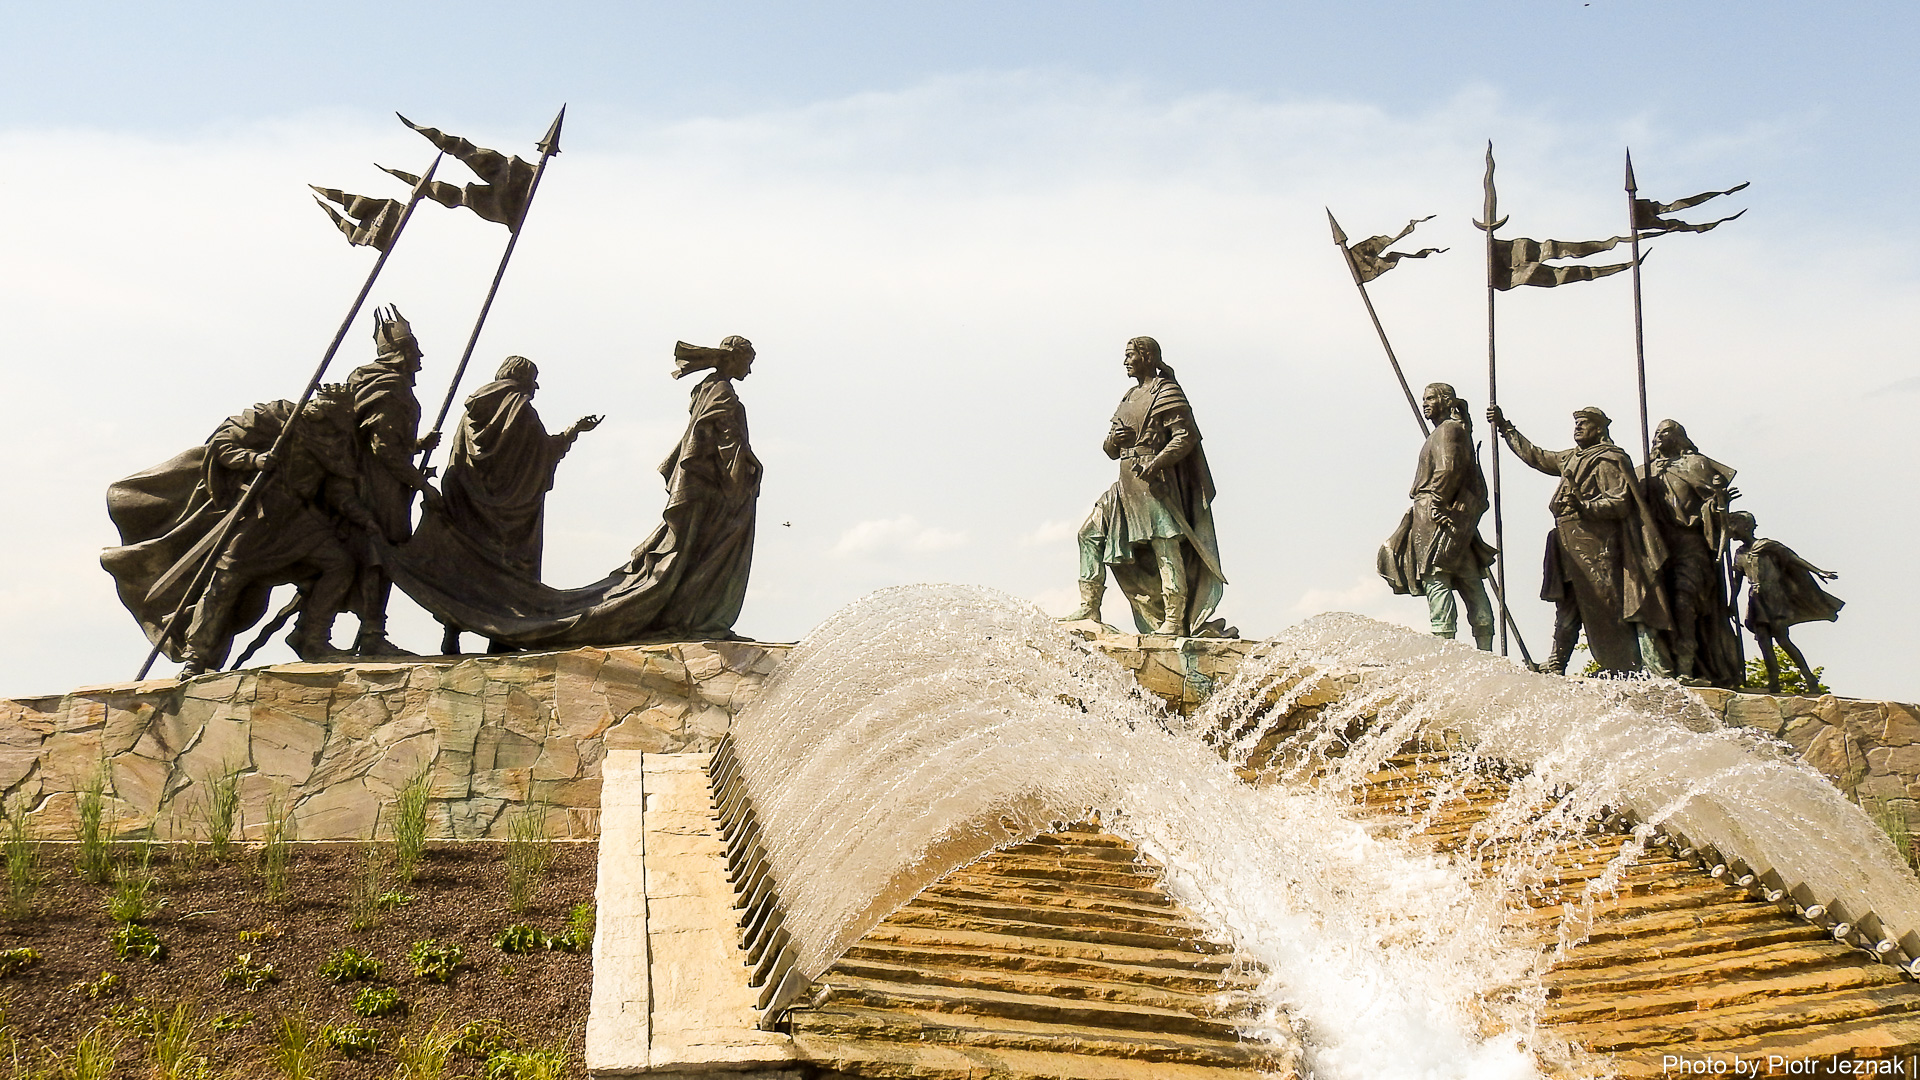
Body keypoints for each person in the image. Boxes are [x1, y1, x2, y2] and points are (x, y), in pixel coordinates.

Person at [102, 386, 379, 676]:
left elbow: (338, 489)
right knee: (225, 582)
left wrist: (363, 518)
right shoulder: (278, 416)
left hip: (299, 519)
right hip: (260, 515)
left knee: (339, 564)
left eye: (333, 411)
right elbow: (221, 444)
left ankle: (312, 637)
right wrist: (253, 459)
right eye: (322, 404)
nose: (320, 411)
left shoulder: (337, 441)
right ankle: (197, 656)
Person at [1061, 336, 1227, 637]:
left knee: (1165, 543)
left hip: (1155, 481)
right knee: (1089, 533)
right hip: (1125, 483)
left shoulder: (1166, 391)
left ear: (1147, 357)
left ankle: (1175, 618)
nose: (1125, 361)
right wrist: (1115, 440)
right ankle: (1089, 605)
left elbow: (1185, 436)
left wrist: (1157, 463)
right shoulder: (1129, 396)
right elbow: (1109, 449)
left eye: (1130, 355)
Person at [1487, 404, 1670, 676]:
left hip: (1597, 545)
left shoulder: (1608, 459)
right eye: (1577, 423)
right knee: (1568, 602)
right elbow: (1537, 456)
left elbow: (1620, 503)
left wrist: (1585, 506)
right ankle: (1557, 662)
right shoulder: (1572, 457)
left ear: (1600, 429)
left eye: (1585, 423)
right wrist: (1506, 428)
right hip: (1566, 541)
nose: (1578, 427)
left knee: (1606, 606)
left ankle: (1626, 668)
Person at [435, 356, 601, 654]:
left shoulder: (472, 410)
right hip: (511, 516)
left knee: (466, 567)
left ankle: (452, 633)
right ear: (523, 378)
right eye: (533, 380)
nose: (535, 388)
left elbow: (457, 460)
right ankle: (502, 639)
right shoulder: (520, 410)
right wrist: (573, 431)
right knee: (509, 572)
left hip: (468, 506)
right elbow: (542, 453)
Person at [344, 305, 441, 656]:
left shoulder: (374, 382)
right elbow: (383, 449)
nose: (421, 357)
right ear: (401, 354)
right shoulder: (391, 387)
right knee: (381, 553)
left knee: (381, 552)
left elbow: (382, 441)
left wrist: (417, 445)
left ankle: (369, 630)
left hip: (377, 479)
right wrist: (422, 484)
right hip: (379, 487)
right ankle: (372, 632)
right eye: (416, 350)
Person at [1378, 383, 1497, 649]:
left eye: (1431, 398)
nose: (1425, 403)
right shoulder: (1451, 430)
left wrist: (1438, 504)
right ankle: (1486, 650)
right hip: (1450, 516)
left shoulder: (1448, 430)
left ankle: (1445, 647)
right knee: (1468, 578)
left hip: (1436, 515)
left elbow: (1448, 468)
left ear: (1446, 401)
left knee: (1436, 577)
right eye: (1424, 399)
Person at [1640, 419, 1743, 687]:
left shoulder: (1696, 464)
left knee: (1685, 601)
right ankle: (1659, 667)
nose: (1658, 437)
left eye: (1665, 432)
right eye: (1656, 433)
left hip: (1690, 543)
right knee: (1658, 604)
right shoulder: (1646, 471)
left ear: (1678, 437)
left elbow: (1712, 504)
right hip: (1656, 547)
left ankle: (1686, 666)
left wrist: (1719, 503)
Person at [1728, 511, 1843, 694]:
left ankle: (1810, 679)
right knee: (1763, 641)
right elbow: (1736, 581)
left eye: (1734, 525)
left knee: (1782, 639)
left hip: (1774, 597)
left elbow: (1792, 558)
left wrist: (1818, 571)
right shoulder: (1739, 554)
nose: (1730, 529)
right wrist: (1731, 603)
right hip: (1755, 599)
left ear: (1747, 526)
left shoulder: (1766, 545)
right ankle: (1774, 681)